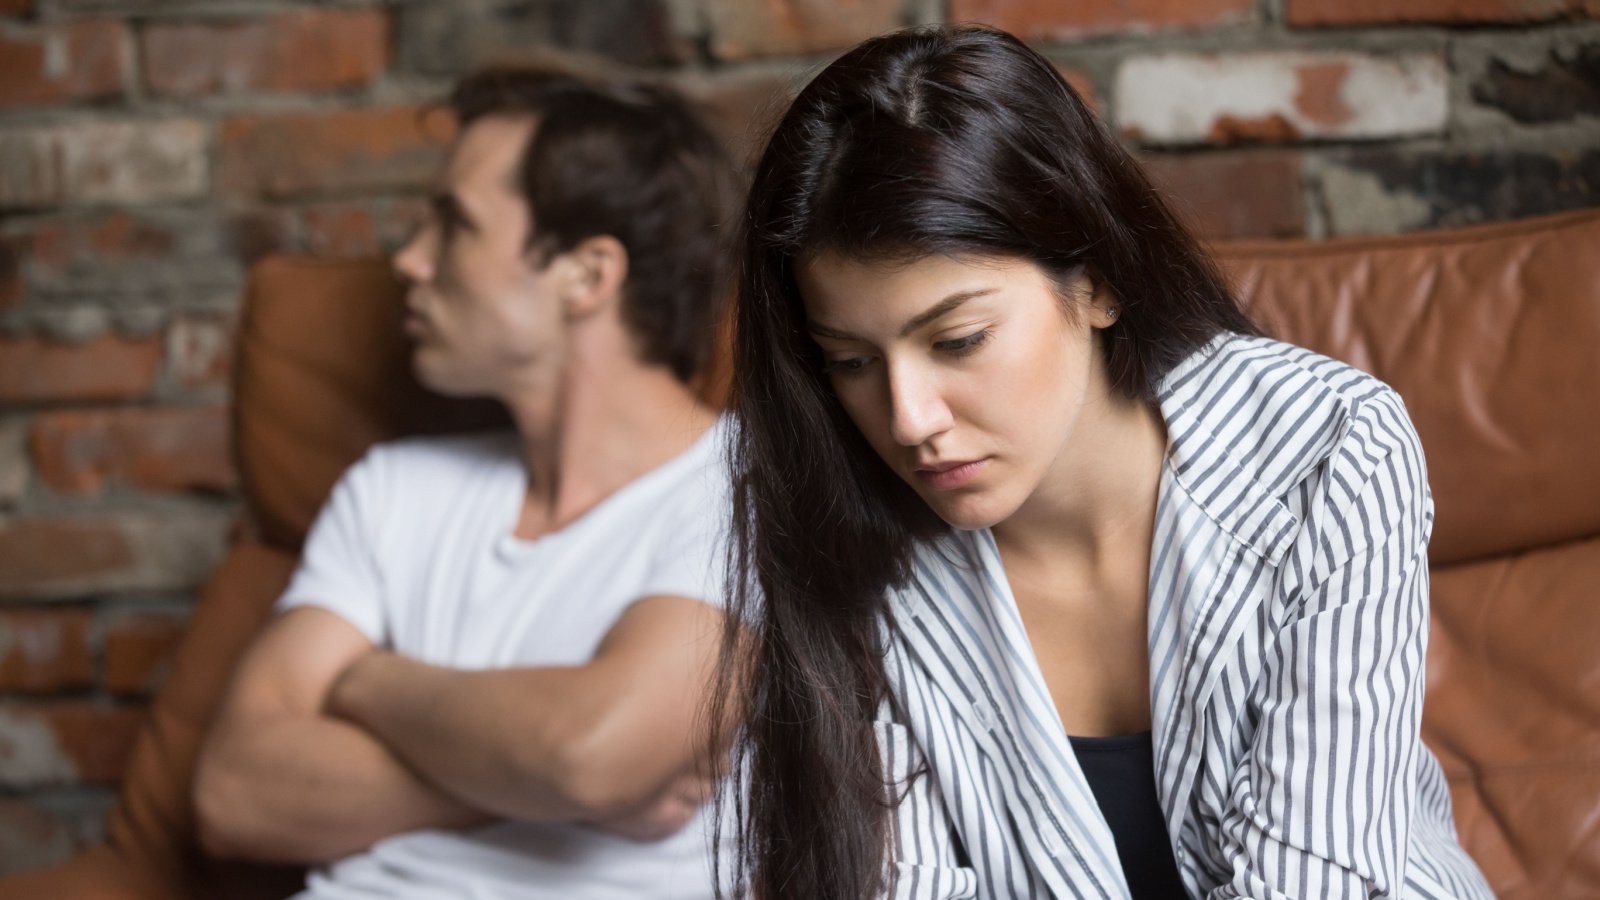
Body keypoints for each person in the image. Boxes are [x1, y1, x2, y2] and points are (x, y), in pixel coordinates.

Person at [709, 25, 1494, 900]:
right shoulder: (843, 525)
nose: (907, 418)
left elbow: (1315, 885)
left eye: (959, 339)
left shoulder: (1326, 449)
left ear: (1098, 280)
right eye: (851, 361)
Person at [194, 62, 737, 899]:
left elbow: (588, 755)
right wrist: (530, 786)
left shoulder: (751, 493)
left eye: (454, 225)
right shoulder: (391, 489)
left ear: (587, 276)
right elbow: (232, 792)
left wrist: (365, 681)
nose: (409, 261)